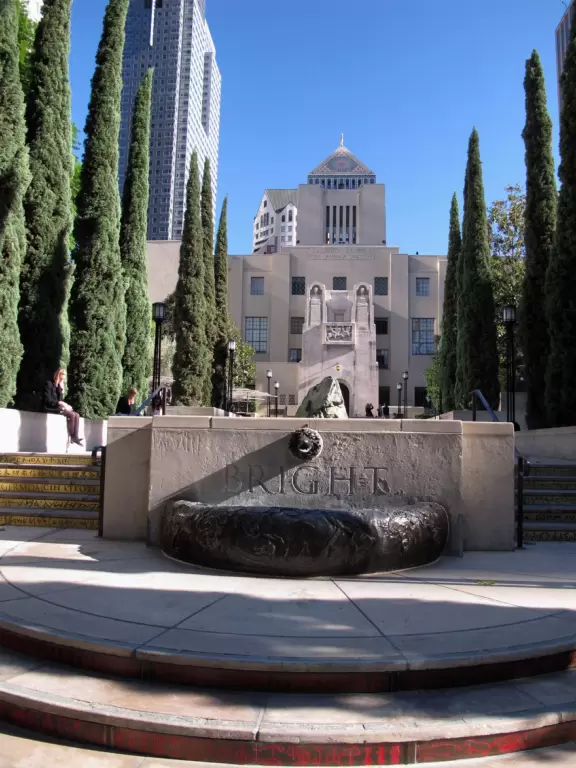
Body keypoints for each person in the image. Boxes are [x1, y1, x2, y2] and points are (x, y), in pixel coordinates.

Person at [42, 369, 83, 446]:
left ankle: (75, 437)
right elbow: (48, 400)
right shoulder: (49, 384)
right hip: (50, 407)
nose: (62, 380)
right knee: (72, 415)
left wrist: (61, 391)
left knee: (76, 415)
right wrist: (59, 403)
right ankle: (72, 437)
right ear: (58, 375)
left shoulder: (58, 387)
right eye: (61, 378)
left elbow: (60, 400)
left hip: (57, 407)